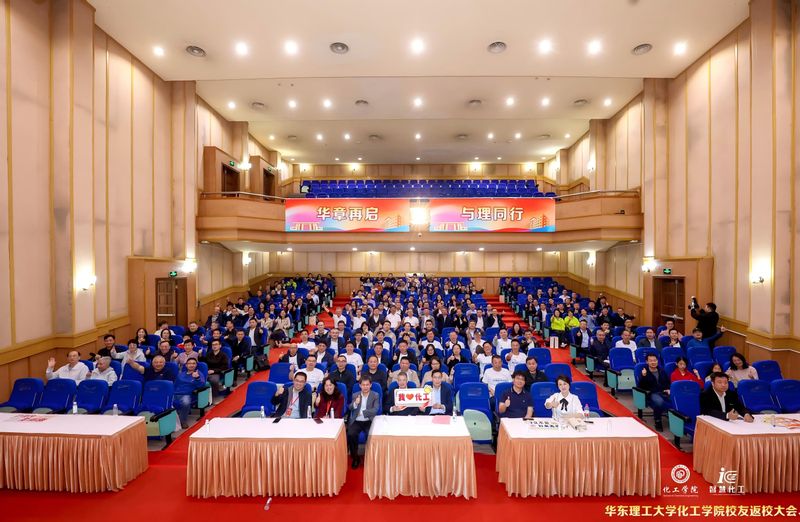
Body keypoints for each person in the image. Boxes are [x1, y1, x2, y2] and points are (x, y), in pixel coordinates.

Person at [347, 377, 380, 469]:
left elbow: (375, 410)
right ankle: (355, 458)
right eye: (363, 385)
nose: (365, 387)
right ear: (360, 385)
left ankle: (370, 457)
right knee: (351, 434)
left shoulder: (375, 395)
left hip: (369, 420)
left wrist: (362, 413)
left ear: (370, 385)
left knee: (371, 435)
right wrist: (355, 404)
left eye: (367, 385)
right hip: (357, 420)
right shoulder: (355, 395)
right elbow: (350, 407)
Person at [638, 354, 671, 431]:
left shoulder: (662, 370)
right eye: (651, 361)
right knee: (659, 402)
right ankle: (658, 420)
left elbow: (667, 382)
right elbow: (641, 387)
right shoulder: (644, 372)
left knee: (676, 400)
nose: (653, 362)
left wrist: (668, 389)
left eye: (655, 360)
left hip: (663, 392)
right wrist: (644, 376)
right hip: (652, 393)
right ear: (647, 362)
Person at [174, 358, 206, 428]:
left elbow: (202, 385)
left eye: (193, 363)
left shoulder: (198, 374)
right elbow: (175, 385)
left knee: (185, 402)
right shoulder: (181, 374)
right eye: (189, 363)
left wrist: (197, 378)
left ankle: (183, 421)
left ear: (196, 365)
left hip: (187, 394)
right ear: (186, 365)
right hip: (175, 393)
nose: (191, 365)